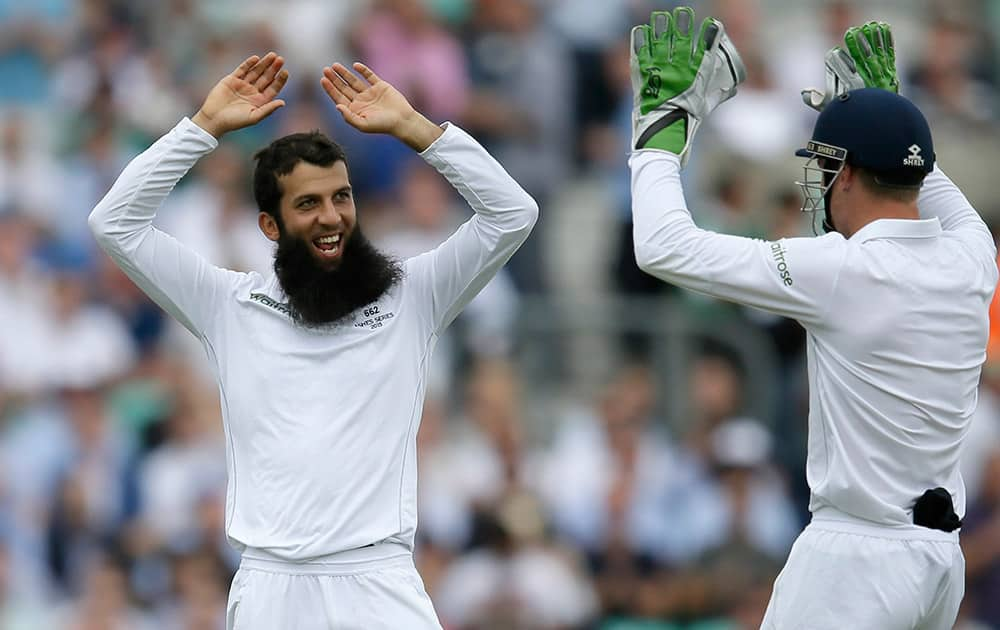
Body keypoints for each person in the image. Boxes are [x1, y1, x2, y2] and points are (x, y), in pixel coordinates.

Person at [88, 52, 538, 629]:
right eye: (308, 203)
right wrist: (202, 128)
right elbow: (115, 223)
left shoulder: (412, 295)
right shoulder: (228, 304)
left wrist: (416, 130)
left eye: (341, 197)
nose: (332, 218)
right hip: (273, 587)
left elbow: (512, 214)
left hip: (379, 581)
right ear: (270, 226)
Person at [628, 10, 995, 630]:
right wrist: (883, 110)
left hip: (854, 560)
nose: (820, 184)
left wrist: (663, 123)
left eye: (827, 166)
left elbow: (663, 246)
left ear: (848, 174)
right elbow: (920, 173)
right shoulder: (973, 254)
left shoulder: (841, 270)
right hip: (938, 563)